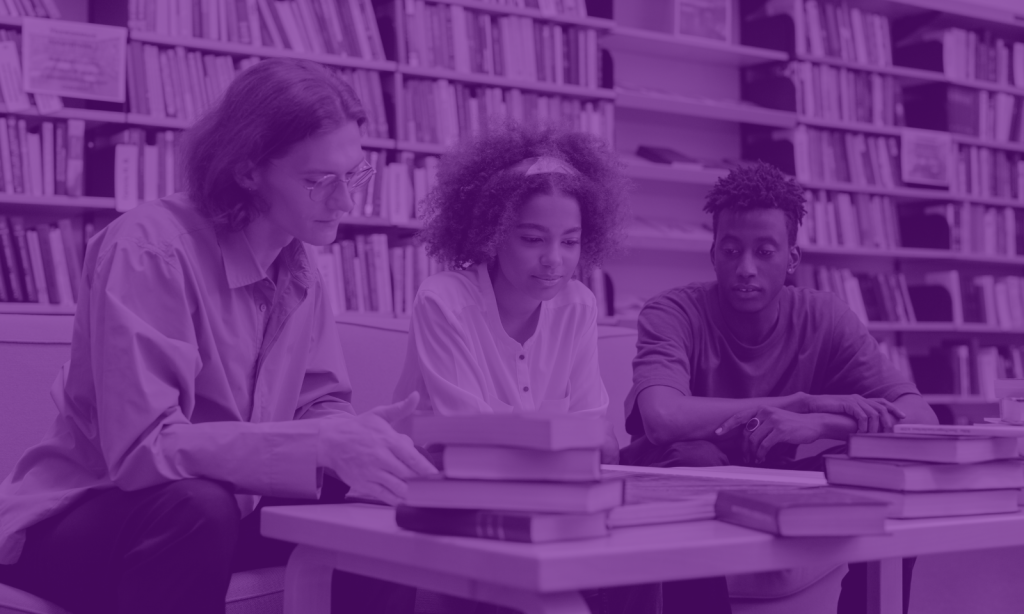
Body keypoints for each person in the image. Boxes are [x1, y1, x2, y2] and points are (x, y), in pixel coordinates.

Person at [0, 58, 437, 614]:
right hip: (85, 515)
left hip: (224, 508)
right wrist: (321, 446)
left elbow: (319, 402)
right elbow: (144, 449)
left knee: (380, 490)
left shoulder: (300, 266)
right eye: (318, 180)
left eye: (353, 174)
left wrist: (354, 439)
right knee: (198, 506)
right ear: (248, 170)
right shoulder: (149, 249)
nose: (345, 202)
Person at [393, 122, 732, 614]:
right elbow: (465, 444)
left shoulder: (578, 304)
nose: (554, 260)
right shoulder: (443, 301)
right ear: (491, 231)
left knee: (641, 557)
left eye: (570, 242)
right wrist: (561, 440)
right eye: (533, 239)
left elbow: (600, 439)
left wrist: (552, 441)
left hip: (552, 500)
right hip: (452, 502)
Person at [619, 161, 938, 614]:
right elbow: (664, 417)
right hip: (682, 488)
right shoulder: (672, 311)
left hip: (771, 484)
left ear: (791, 258)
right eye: (730, 251)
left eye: (764, 251)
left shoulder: (824, 316)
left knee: (889, 470)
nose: (745, 268)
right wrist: (798, 402)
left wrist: (819, 423)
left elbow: (921, 418)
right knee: (698, 459)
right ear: (713, 254)